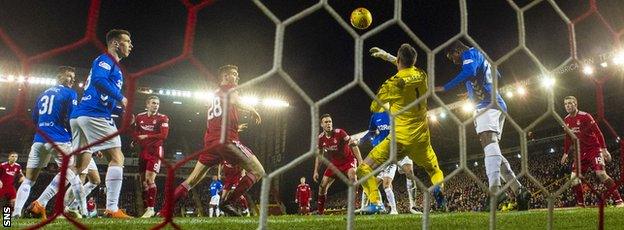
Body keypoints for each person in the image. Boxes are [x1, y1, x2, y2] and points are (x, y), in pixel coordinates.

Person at [435, 40, 529, 210]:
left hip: (486, 106)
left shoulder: (468, 54)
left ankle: (495, 191)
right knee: (492, 149)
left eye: (453, 58)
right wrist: (477, 87)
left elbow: (469, 70)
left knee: (489, 144)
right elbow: (497, 75)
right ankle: (519, 190)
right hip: (495, 104)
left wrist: (445, 87)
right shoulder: (481, 55)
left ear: (457, 51)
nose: (455, 62)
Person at [356, 44, 446, 214]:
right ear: (415, 60)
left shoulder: (392, 84)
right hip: (421, 139)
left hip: (398, 141)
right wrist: (386, 56)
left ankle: (376, 203)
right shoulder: (422, 74)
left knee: (363, 169)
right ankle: (438, 190)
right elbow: (406, 67)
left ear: (398, 60)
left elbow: (374, 106)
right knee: (434, 170)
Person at [166, 64, 265, 217]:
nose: (237, 77)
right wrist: (253, 110)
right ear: (225, 77)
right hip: (227, 141)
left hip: (210, 143)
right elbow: (236, 101)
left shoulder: (214, 94)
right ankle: (229, 202)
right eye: (233, 74)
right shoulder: (230, 90)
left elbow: (220, 118)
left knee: (191, 180)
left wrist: (235, 126)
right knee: (258, 171)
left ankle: (164, 210)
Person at [70, 29, 132, 218]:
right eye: (127, 41)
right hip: (94, 114)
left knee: (79, 169)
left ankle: (59, 205)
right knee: (117, 157)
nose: (131, 45)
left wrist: (121, 110)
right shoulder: (105, 59)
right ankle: (112, 208)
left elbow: (104, 94)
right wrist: (122, 98)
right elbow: (98, 80)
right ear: (115, 43)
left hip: (82, 115)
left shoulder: (114, 66)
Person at [15, 66, 89, 219]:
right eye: (69, 76)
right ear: (59, 77)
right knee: (72, 173)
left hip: (39, 139)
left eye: (73, 78)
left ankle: (14, 213)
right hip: (59, 139)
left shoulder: (42, 94)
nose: (72, 80)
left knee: (29, 180)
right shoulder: (70, 93)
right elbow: (72, 118)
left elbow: (35, 119)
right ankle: (81, 211)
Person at [356, 105, 429, 214]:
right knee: (369, 178)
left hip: (401, 148)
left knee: (409, 173)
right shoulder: (375, 116)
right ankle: (366, 207)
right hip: (386, 152)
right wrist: (360, 140)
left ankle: (413, 206)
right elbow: (371, 132)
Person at [561, 96, 623, 207]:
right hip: (580, 152)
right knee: (574, 179)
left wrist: (604, 149)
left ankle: (619, 200)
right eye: (566, 104)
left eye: (570, 103)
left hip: (593, 149)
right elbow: (567, 137)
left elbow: (598, 133)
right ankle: (581, 204)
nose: (568, 106)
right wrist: (565, 153)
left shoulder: (585, 116)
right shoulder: (566, 120)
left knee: (601, 174)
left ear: (576, 104)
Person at [314, 114, 363, 215]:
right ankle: (320, 211)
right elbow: (319, 156)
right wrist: (315, 171)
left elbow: (353, 145)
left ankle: (353, 206)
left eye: (330, 122)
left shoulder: (340, 132)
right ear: (322, 125)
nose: (329, 124)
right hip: (335, 164)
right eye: (326, 122)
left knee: (353, 177)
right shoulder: (321, 138)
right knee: (322, 185)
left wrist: (360, 161)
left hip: (348, 160)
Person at [132, 96, 169, 218]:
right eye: (153, 103)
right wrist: (134, 140)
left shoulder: (162, 118)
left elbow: (164, 135)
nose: (156, 105)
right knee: (143, 182)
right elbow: (137, 131)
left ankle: (151, 209)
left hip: (155, 151)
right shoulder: (139, 117)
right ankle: (147, 207)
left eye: (158, 104)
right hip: (143, 151)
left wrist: (146, 136)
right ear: (147, 104)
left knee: (149, 180)